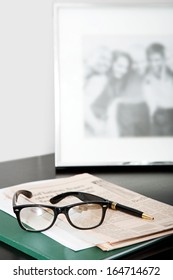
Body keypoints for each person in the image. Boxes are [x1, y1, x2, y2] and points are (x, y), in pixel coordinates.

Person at [90, 51, 150, 137]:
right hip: (91, 126)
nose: (123, 70)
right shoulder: (100, 80)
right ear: (111, 63)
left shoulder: (116, 80)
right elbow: (83, 106)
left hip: (101, 124)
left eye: (126, 67)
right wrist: (96, 126)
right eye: (119, 66)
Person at [143, 43, 173, 136]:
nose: (153, 64)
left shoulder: (170, 74)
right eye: (150, 60)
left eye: (157, 60)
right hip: (157, 115)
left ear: (164, 59)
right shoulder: (147, 75)